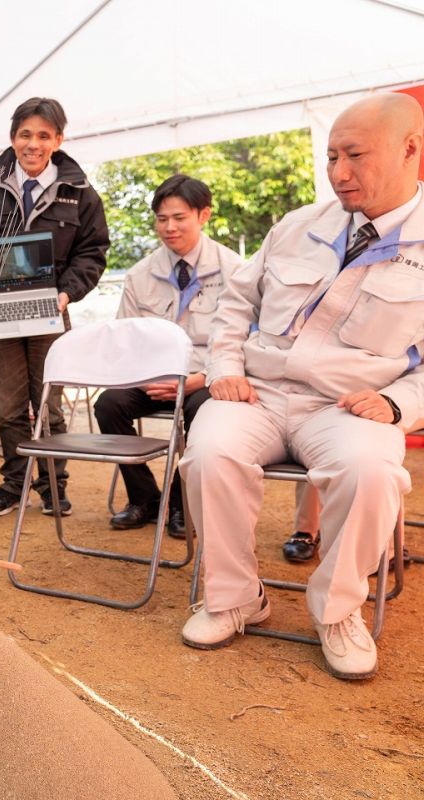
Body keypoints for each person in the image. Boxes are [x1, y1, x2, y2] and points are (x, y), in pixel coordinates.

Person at [179, 94, 423, 680]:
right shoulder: (295, 226)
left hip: (350, 406)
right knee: (208, 452)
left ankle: (338, 611)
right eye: (332, 155)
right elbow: (235, 305)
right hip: (258, 392)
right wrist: (225, 370)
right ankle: (234, 597)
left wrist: (397, 404)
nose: (338, 172)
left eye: (355, 155)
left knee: (371, 473)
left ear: (411, 150)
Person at [0, 97, 108, 518]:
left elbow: (92, 253)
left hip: (51, 309)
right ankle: (14, 484)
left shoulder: (80, 192)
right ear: (13, 138)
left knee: (48, 403)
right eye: (25, 135)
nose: (33, 144)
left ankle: (53, 486)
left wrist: (66, 293)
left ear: (58, 140)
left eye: (43, 136)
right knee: (12, 405)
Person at [93, 175, 242, 538]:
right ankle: (145, 498)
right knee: (108, 405)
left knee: (203, 410)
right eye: (162, 219)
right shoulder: (140, 274)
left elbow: (243, 342)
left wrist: (200, 379)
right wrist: (143, 377)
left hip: (205, 377)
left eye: (179, 218)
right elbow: (125, 338)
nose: (169, 227)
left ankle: (181, 503)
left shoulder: (235, 270)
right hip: (152, 377)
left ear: (203, 215)